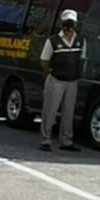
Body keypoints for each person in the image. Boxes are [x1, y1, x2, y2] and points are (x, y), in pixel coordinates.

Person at [39, 8, 83, 152]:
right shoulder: (53, 41)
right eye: (66, 23)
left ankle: (66, 141)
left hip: (72, 80)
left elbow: (82, 59)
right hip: (56, 80)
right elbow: (44, 61)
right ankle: (45, 139)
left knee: (69, 112)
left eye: (71, 23)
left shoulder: (80, 41)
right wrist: (50, 74)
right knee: (50, 110)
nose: (69, 27)